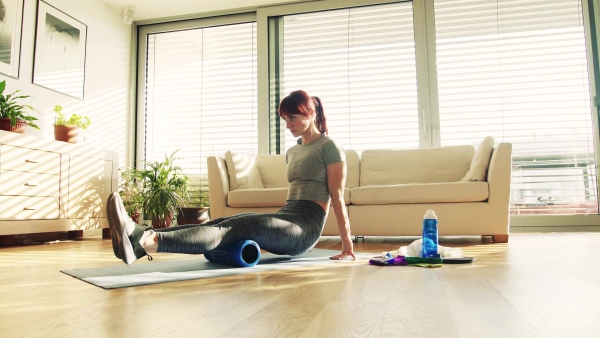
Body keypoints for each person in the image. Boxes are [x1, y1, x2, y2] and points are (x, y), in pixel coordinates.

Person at [107, 90, 356, 265]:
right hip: (287, 215)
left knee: (238, 226)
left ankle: (147, 241)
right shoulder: (293, 150)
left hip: (304, 228)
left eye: (292, 117)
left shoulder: (329, 147)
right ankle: (140, 239)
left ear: (310, 113)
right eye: (284, 119)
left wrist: (347, 245)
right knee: (225, 221)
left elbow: (336, 196)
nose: (288, 124)